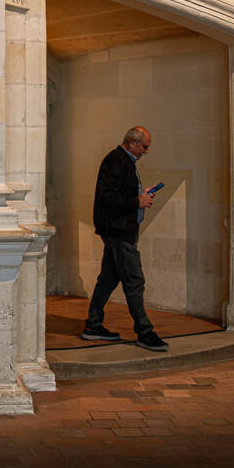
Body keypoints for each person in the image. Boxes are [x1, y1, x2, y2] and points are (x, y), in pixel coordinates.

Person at [82, 125, 169, 352]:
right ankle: (144, 332)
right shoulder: (116, 160)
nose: (146, 151)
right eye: (144, 146)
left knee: (109, 279)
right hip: (119, 231)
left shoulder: (123, 161)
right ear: (132, 142)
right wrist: (136, 202)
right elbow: (106, 197)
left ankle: (93, 325)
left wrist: (140, 195)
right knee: (134, 280)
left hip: (119, 230)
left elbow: (116, 194)